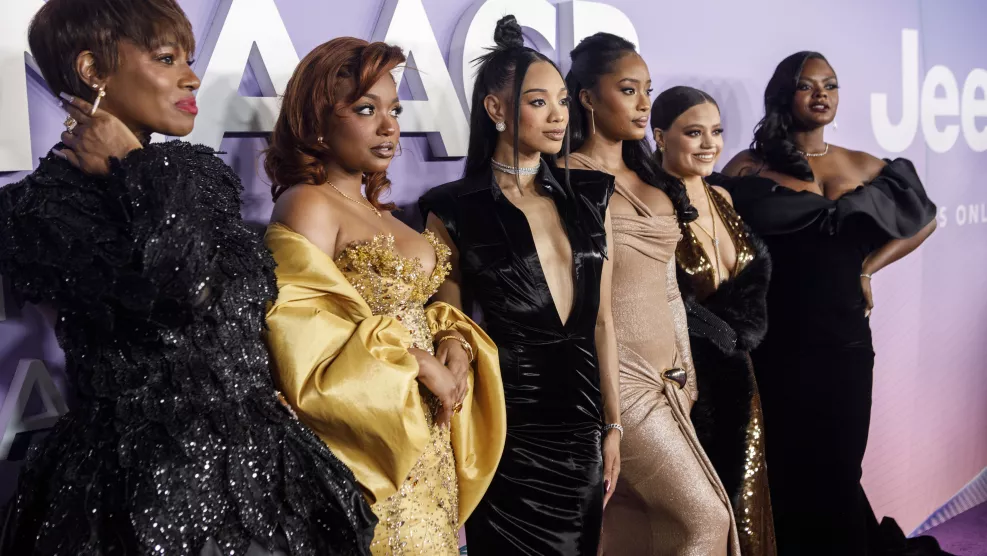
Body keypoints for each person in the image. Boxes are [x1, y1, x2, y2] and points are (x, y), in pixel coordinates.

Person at [0, 1, 376, 554]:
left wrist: (139, 163)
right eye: (166, 57)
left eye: (190, 58)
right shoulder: (33, 210)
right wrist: (137, 166)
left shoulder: (196, 175)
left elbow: (240, 310)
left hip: (264, 472)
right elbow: (185, 289)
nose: (192, 76)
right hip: (138, 489)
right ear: (92, 71)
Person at [261, 37, 506, 556]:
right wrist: (414, 360)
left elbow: (424, 308)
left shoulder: (383, 212)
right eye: (366, 109)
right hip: (371, 434)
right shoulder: (307, 204)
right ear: (315, 122)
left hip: (430, 432)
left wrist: (454, 342)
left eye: (393, 109)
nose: (389, 125)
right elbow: (301, 338)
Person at [722, 51, 941, 556]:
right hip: (777, 342)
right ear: (784, 94)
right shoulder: (747, 167)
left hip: (843, 344)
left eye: (831, 85)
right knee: (790, 467)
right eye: (807, 85)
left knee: (841, 468)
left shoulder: (860, 163)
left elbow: (923, 217)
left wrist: (867, 268)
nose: (821, 94)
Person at [419, 16, 621, 556]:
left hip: (580, 422)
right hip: (506, 423)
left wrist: (615, 424)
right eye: (538, 102)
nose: (559, 115)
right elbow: (450, 320)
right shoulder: (451, 209)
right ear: (496, 110)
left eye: (562, 100)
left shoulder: (593, 195)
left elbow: (602, 321)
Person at [563, 34, 739, 556]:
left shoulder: (651, 180)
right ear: (589, 98)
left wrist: (686, 373)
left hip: (670, 383)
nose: (643, 103)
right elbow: (584, 302)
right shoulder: (572, 179)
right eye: (627, 89)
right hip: (620, 380)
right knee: (705, 517)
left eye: (647, 89)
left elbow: (667, 291)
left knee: (636, 527)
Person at [650, 86, 776, 556]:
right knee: (700, 514)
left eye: (717, 132)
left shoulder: (722, 194)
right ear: (660, 137)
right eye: (694, 132)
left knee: (745, 500)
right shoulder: (650, 202)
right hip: (685, 381)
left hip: (738, 375)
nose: (709, 144)